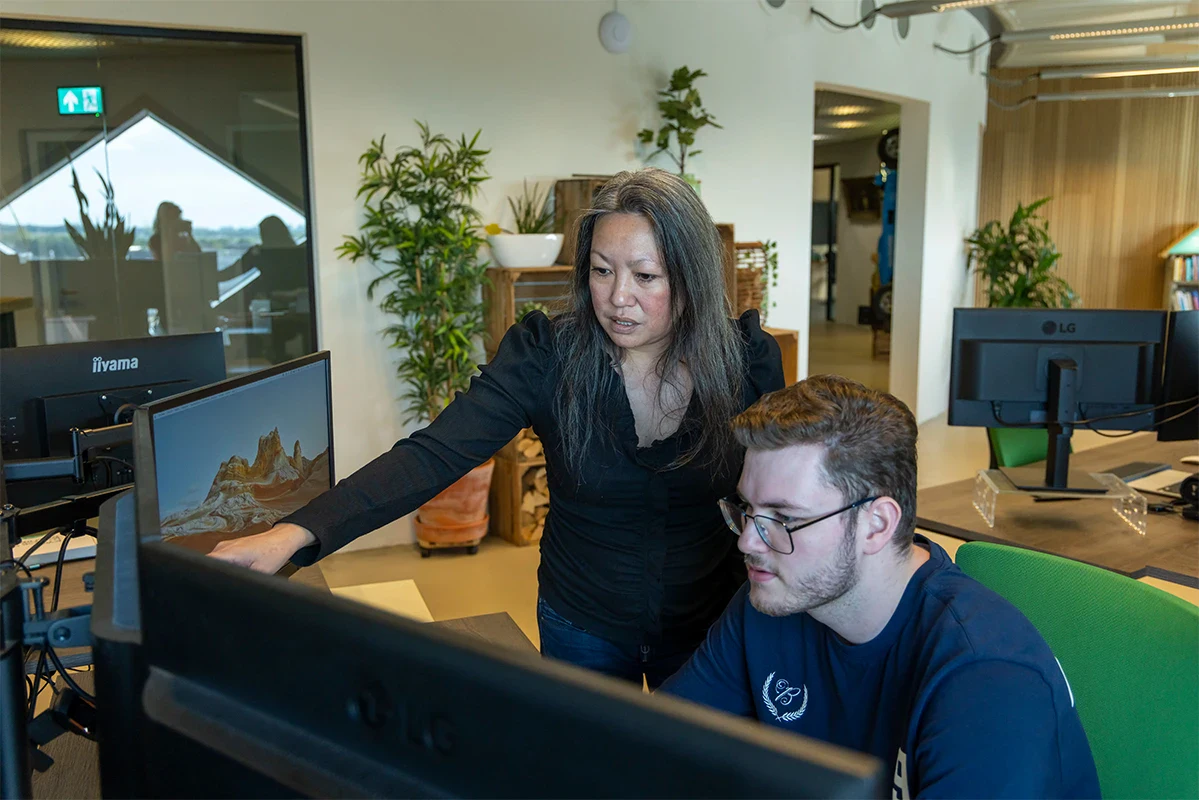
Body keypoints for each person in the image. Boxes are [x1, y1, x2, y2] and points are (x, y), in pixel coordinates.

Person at [209, 168, 785, 688]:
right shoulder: (545, 357)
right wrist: (293, 533)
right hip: (581, 625)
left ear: (691, 279)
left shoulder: (746, 362)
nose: (617, 298)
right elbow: (432, 455)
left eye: (646, 276)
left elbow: (790, 493)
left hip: (712, 624)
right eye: (602, 271)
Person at [659, 375, 1100, 798]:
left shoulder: (989, 679)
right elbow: (654, 745)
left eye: (785, 518)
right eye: (747, 509)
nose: (747, 541)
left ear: (877, 524)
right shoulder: (771, 600)